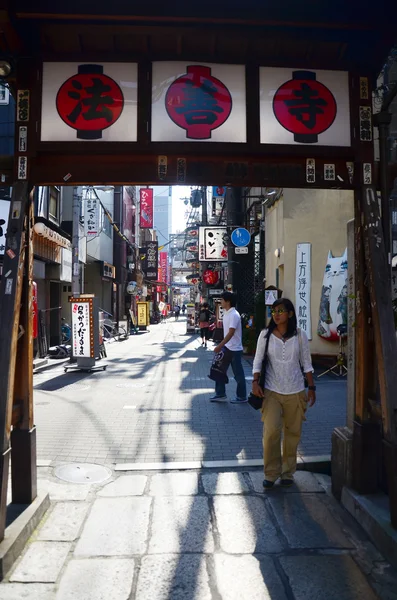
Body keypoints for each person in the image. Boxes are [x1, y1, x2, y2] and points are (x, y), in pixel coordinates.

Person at [252, 298, 316, 490]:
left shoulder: (299, 335)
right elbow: (257, 360)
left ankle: (288, 472)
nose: (277, 314)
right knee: (271, 432)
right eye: (274, 311)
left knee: (292, 434)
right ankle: (271, 473)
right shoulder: (265, 335)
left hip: (296, 390)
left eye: (281, 310)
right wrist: (255, 382)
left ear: (290, 313)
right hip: (271, 391)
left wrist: (311, 388)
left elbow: (306, 362)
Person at [210, 291, 247, 404]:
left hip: (234, 349)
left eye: (222, 299)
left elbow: (231, 333)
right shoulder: (226, 313)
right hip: (226, 347)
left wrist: (219, 346)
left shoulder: (234, 315)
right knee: (218, 370)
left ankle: (242, 396)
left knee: (238, 374)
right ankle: (220, 394)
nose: (220, 301)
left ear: (228, 301)